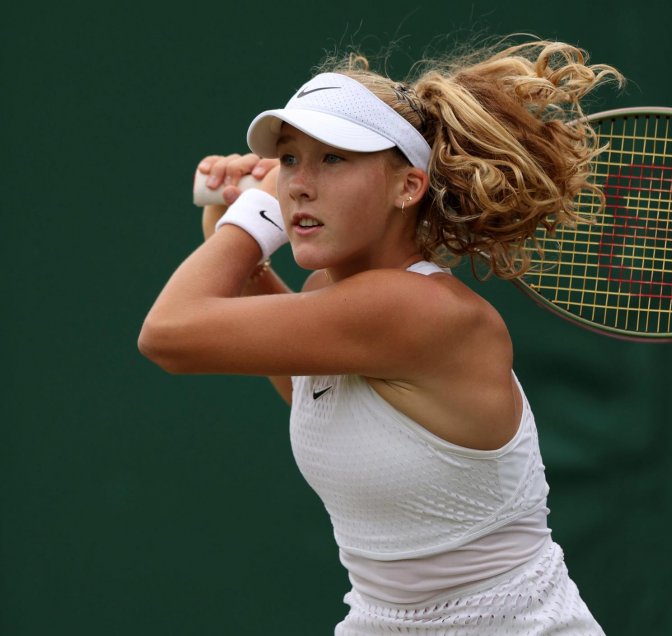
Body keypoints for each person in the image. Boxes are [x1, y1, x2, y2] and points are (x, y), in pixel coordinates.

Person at [139, 37, 621, 635]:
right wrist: (236, 241)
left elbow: (167, 334)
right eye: (289, 159)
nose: (298, 185)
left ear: (408, 187)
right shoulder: (333, 300)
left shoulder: (413, 308)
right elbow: (314, 394)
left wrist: (253, 216)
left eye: (333, 159)